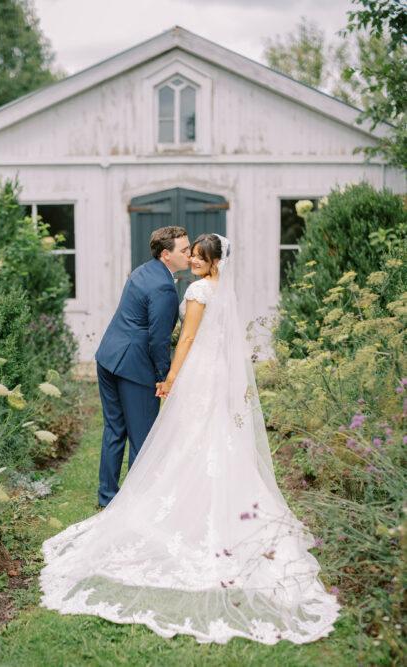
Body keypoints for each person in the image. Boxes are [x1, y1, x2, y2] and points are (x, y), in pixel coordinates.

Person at [39, 233, 341, 645]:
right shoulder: (210, 288)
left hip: (171, 368)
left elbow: (185, 337)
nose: (192, 259)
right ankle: (121, 497)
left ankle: (123, 498)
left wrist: (170, 377)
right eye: (189, 253)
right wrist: (168, 374)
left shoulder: (173, 282)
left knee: (164, 437)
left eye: (198, 255)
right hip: (200, 372)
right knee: (196, 437)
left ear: (214, 260)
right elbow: (173, 337)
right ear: (171, 255)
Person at [94, 226, 190, 507]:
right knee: (143, 438)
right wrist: (164, 377)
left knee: (114, 429)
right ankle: (136, 504)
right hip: (134, 366)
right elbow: (158, 340)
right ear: (166, 255)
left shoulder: (142, 271)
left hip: (108, 356)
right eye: (183, 250)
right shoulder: (164, 287)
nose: (189, 253)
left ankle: (107, 497)